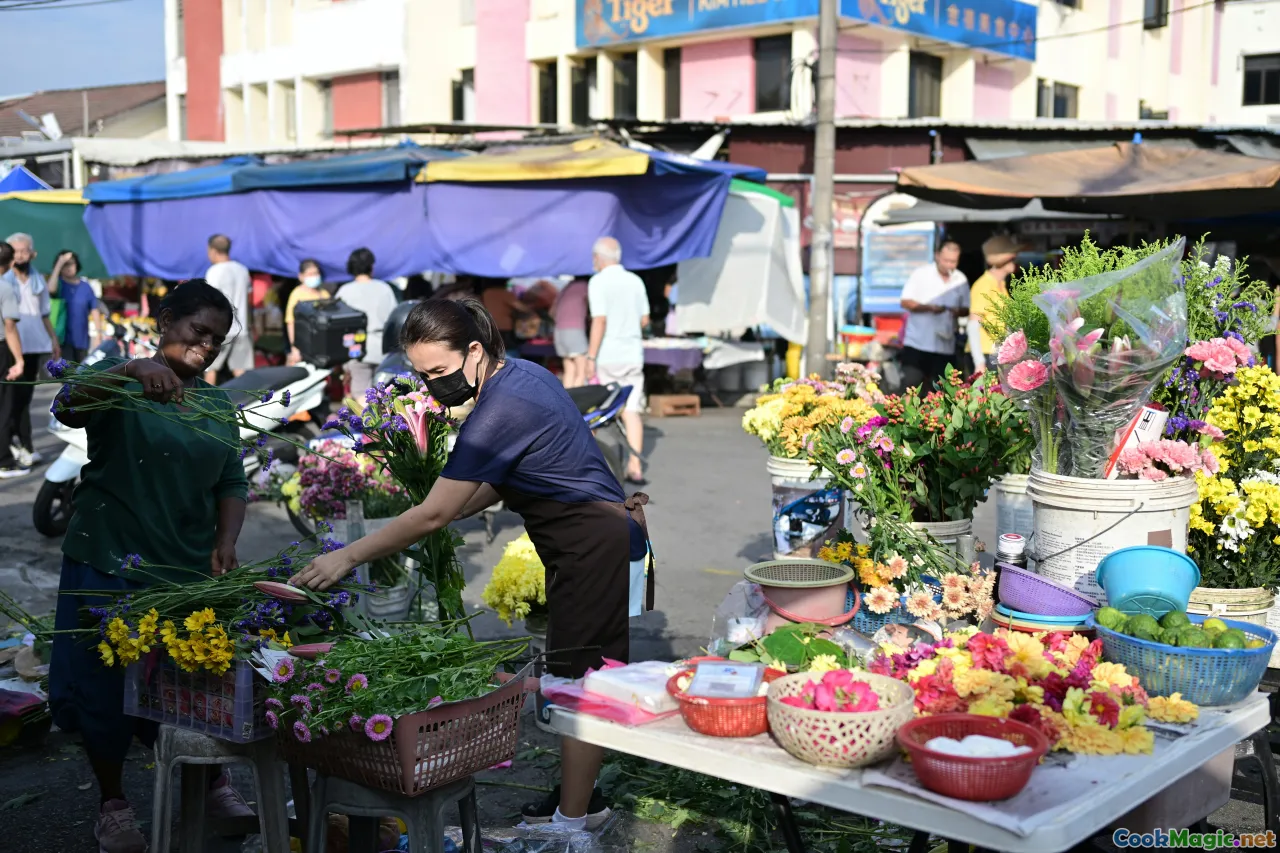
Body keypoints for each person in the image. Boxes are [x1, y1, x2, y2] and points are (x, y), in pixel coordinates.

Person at [289, 296, 651, 833]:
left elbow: (435, 511)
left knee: (581, 686)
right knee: (578, 676)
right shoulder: (523, 375)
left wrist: (349, 555)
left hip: (588, 544)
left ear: (475, 350)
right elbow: (497, 482)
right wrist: (437, 516)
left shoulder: (502, 406)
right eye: (421, 374)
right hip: (589, 537)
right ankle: (580, 801)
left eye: (438, 371)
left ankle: (572, 826)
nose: (433, 385)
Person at [48, 280, 253, 853]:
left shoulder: (215, 401)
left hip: (184, 569)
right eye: (198, 331)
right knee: (103, 684)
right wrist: (131, 371)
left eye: (217, 339)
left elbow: (231, 479)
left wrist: (226, 540)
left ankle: (208, 781)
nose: (206, 346)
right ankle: (112, 803)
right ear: (166, 321)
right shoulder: (120, 378)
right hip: (109, 558)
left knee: (193, 679)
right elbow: (67, 403)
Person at [586, 237, 650, 485]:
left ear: (598, 258)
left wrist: (591, 355)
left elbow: (599, 321)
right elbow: (644, 319)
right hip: (633, 353)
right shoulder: (635, 281)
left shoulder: (598, 282)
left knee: (597, 411)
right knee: (631, 410)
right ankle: (635, 466)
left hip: (608, 354)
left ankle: (591, 465)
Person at [2, 232, 59, 472]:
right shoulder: (5, 281)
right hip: (12, 347)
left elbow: (45, 314)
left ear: (32, 253)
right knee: (9, 401)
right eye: (16, 251)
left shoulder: (38, 281)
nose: (21, 256)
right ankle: (14, 445)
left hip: (35, 345)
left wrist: (54, 340)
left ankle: (25, 444)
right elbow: (9, 324)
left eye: (25, 251)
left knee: (24, 399)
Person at [898, 238, 969, 390]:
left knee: (942, 393)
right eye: (946, 260)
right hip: (918, 344)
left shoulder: (960, 279)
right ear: (937, 256)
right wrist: (929, 308)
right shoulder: (921, 274)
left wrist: (957, 311)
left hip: (945, 346)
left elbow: (967, 309)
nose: (949, 265)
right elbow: (905, 302)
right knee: (910, 390)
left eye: (953, 261)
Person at [335, 248, 399, 401]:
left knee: (361, 395)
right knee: (383, 397)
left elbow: (337, 327)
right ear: (371, 266)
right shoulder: (384, 289)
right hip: (382, 349)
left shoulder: (344, 291)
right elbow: (395, 320)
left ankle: (366, 423)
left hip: (355, 350)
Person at [967, 236, 1021, 375]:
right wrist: (979, 362)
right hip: (985, 355)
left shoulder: (1000, 284)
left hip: (997, 353)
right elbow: (973, 325)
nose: (1016, 261)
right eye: (1013, 258)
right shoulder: (984, 284)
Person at [204, 234, 253, 383]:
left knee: (211, 369)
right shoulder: (243, 270)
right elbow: (249, 300)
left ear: (213, 250)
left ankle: (206, 405)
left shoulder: (214, 272)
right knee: (241, 372)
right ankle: (250, 403)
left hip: (220, 330)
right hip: (241, 328)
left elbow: (209, 303)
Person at [0, 240, 28, 479]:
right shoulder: (5, 287)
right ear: (10, 264)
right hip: (1, 350)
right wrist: (18, 360)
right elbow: (9, 328)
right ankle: (4, 462)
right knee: (3, 407)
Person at [48, 250, 106, 363]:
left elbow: (94, 309)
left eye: (72, 263)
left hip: (81, 340)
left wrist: (99, 333)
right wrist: (59, 263)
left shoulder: (85, 287)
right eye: (65, 264)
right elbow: (50, 289)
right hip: (62, 340)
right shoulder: (59, 284)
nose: (69, 267)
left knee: (80, 375)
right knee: (67, 375)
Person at [286, 258, 326, 365]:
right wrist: (294, 347)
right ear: (301, 276)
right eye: (310, 274)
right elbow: (291, 323)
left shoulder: (324, 294)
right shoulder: (297, 295)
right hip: (303, 344)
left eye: (316, 273)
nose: (314, 277)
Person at [552, 277, 590, 388]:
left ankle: (567, 402)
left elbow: (552, 312)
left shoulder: (566, 288)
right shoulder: (585, 286)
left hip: (559, 332)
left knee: (569, 370)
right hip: (574, 331)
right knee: (581, 372)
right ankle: (578, 403)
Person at [479, 278, 531, 354]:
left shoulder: (486, 293)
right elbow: (521, 308)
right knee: (510, 354)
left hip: (489, 327)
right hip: (505, 329)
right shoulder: (505, 293)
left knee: (493, 354)